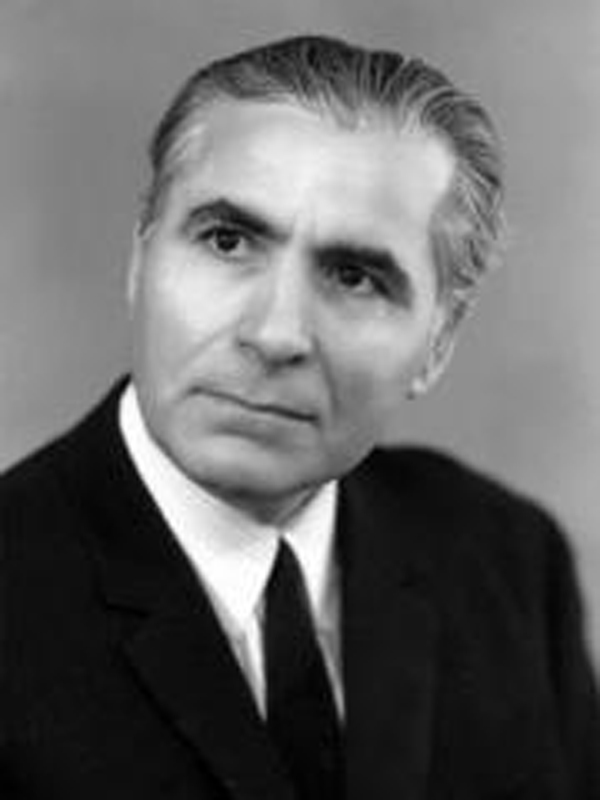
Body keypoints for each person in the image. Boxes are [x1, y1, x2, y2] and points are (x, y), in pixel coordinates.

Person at [0, 34, 598, 800]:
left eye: (354, 277)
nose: (275, 333)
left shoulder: (506, 560)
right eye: (227, 241)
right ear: (140, 261)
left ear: (437, 345)